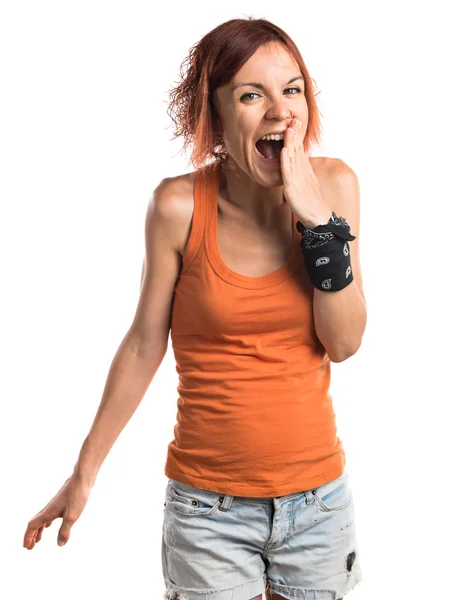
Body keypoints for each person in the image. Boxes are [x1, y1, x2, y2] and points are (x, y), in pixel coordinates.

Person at [23, 16, 367, 600]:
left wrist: (318, 225)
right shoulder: (177, 206)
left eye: (292, 89)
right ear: (216, 114)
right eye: (251, 95)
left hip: (318, 503)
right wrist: (84, 473)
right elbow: (142, 343)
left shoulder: (334, 186)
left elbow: (345, 342)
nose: (280, 112)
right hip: (208, 508)